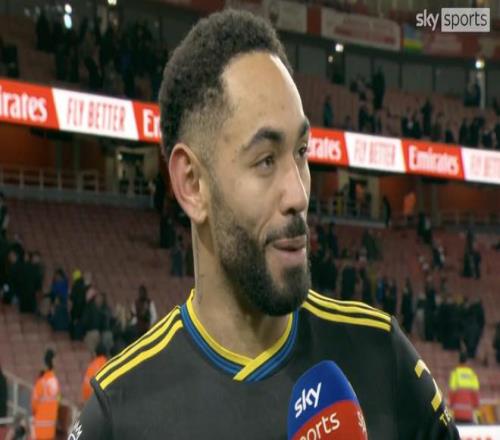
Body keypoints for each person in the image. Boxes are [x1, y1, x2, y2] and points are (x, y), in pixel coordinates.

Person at [74, 10, 458, 439]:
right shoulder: (119, 414)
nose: (298, 194)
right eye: (265, 160)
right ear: (192, 184)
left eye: (301, 152)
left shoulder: (381, 356)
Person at [31, 349, 60, 440]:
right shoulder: (55, 381)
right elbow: (58, 400)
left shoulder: (41, 382)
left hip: (40, 430)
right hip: (50, 430)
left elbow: (33, 405)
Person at [448, 352, 480, 424]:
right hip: (469, 412)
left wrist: (451, 406)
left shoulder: (455, 373)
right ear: (467, 362)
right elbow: (476, 392)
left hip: (457, 412)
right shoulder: (472, 373)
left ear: (459, 361)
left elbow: (451, 392)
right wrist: (476, 406)